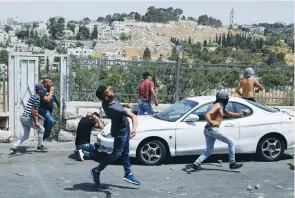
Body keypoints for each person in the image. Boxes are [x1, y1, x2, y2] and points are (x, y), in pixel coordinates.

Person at [91, 85, 140, 187]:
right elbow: (133, 116)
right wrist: (134, 129)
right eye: (108, 91)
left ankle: (128, 173)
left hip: (124, 127)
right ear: (105, 97)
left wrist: (123, 105)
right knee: (116, 154)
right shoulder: (113, 108)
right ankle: (97, 170)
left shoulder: (109, 101)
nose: (111, 91)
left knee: (126, 151)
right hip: (120, 132)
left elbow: (116, 104)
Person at [191, 90, 246, 170]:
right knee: (232, 142)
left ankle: (196, 164)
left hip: (208, 129)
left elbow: (228, 113)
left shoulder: (220, 106)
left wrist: (240, 114)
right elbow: (207, 114)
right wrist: (210, 121)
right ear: (225, 99)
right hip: (213, 129)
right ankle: (232, 163)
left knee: (209, 150)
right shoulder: (217, 105)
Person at [9, 84, 48, 155]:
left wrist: (39, 116)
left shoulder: (34, 96)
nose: (43, 91)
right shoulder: (37, 98)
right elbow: (32, 111)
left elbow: (32, 110)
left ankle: (14, 147)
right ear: (39, 91)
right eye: (42, 89)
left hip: (23, 117)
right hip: (28, 118)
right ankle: (40, 146)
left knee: (26, 135)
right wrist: (36, 122)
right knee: (42, 129)